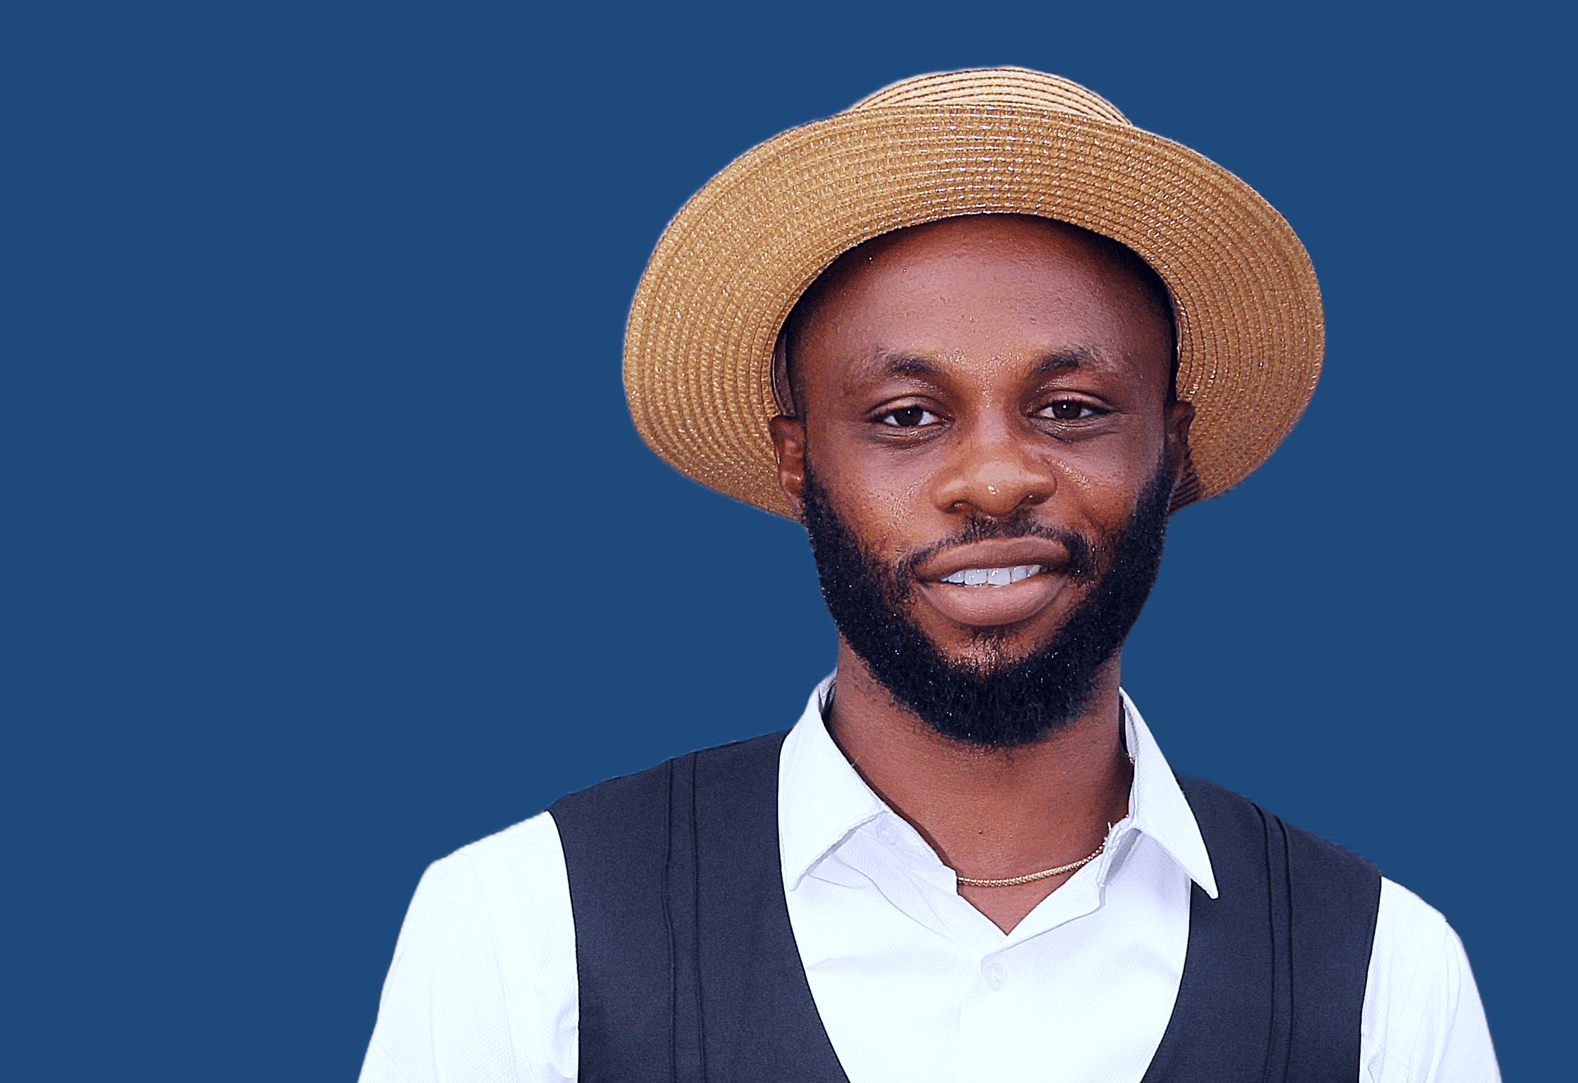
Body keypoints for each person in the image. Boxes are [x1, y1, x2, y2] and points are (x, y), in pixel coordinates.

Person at [360, 68, 1500, 1083]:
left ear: (1172, 444)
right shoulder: (523, 924)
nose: (996, 478)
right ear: (799, 458)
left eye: (1071, 409)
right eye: (907, 416)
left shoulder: (1381, 972)